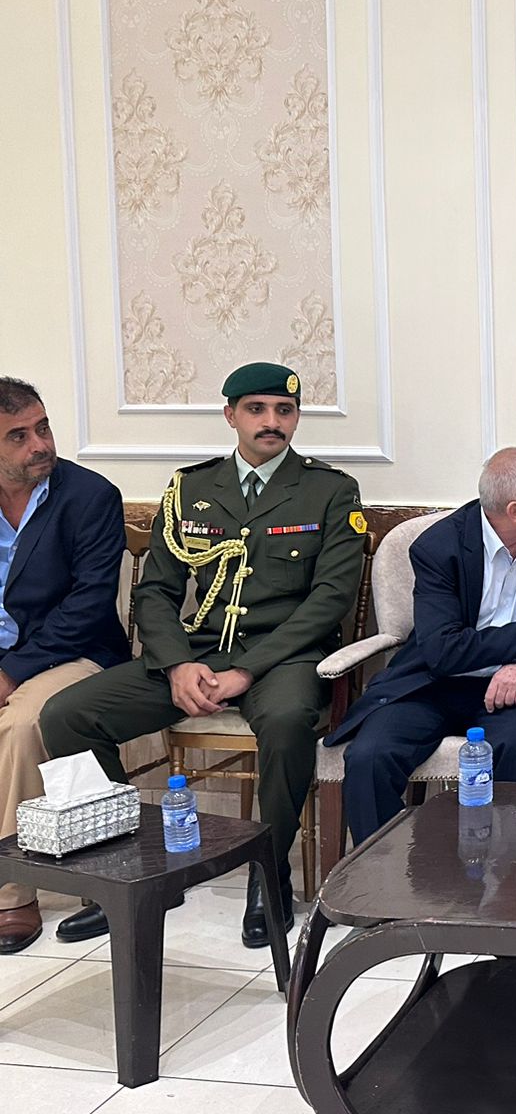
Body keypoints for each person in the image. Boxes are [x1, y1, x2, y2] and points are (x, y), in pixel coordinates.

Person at [40, 363, 365, 949]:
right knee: (67, 715)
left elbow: (331, 599)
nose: (272, 422)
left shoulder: (330, 490)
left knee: (287, 721)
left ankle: (269, 875)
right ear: (230, 415)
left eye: (284, 411)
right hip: (198, 650)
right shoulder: (191, 488)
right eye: (256, 409)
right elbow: (155, 591)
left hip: (286, 656)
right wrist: (176, 665)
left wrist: (246, 669)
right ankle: (126, 873)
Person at [328, 448, 516, 843]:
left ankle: (511, 873)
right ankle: (379, 872)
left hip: (513, 689)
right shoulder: (439, 547)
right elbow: (444, 650)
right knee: (370, 756)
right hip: (433, 683)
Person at [0, 379, 130, 954]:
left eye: (43, 427)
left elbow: (89, 605)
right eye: (19, 436)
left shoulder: (89, 496)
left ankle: (12, 895)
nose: (40, 445)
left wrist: (12, 672)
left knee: (21, 723)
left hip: (76, 654)